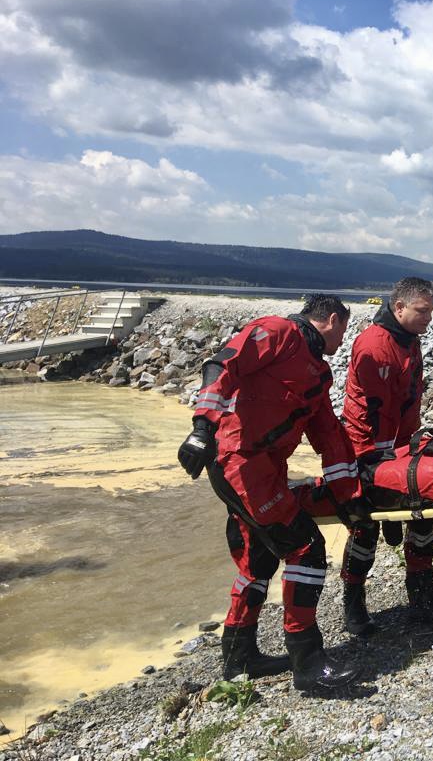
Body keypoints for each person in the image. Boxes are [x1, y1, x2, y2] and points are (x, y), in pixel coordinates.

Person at [177, 294, 362, 692]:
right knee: (306, 549)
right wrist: (201, 428)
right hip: (240, 463)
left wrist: (349, 496)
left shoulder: (317, 372)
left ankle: (239, 658)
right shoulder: (278, 332)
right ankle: (308, 664)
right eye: (344, 330)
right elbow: (223, 363)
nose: (343, 341)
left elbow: (327, 434)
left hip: (263, 471)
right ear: (330, 320)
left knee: (257, 561)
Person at [340, 277, 433, 634]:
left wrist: (412, 452)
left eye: (431, 311)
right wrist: (380, 464)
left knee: (424, 515)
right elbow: (371, 413)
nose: (429, 319)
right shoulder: (374, 346)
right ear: (399, 307)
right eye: (423, 311)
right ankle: (353, 605)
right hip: (365, 451)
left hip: (397, 448)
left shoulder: (410, 342)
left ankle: (422, 599)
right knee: (364, 527)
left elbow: (409, 406)